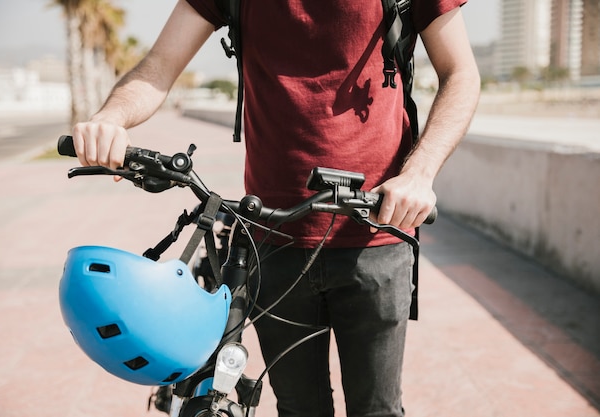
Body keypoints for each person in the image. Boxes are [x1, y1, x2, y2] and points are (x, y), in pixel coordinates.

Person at [72, 1, 480, 416]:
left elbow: (460, 73)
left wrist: (419, 174)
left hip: (376, 234)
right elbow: (159, 64)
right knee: (298, 408)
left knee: (377, 409)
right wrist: (111, 117)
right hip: (271, 240)